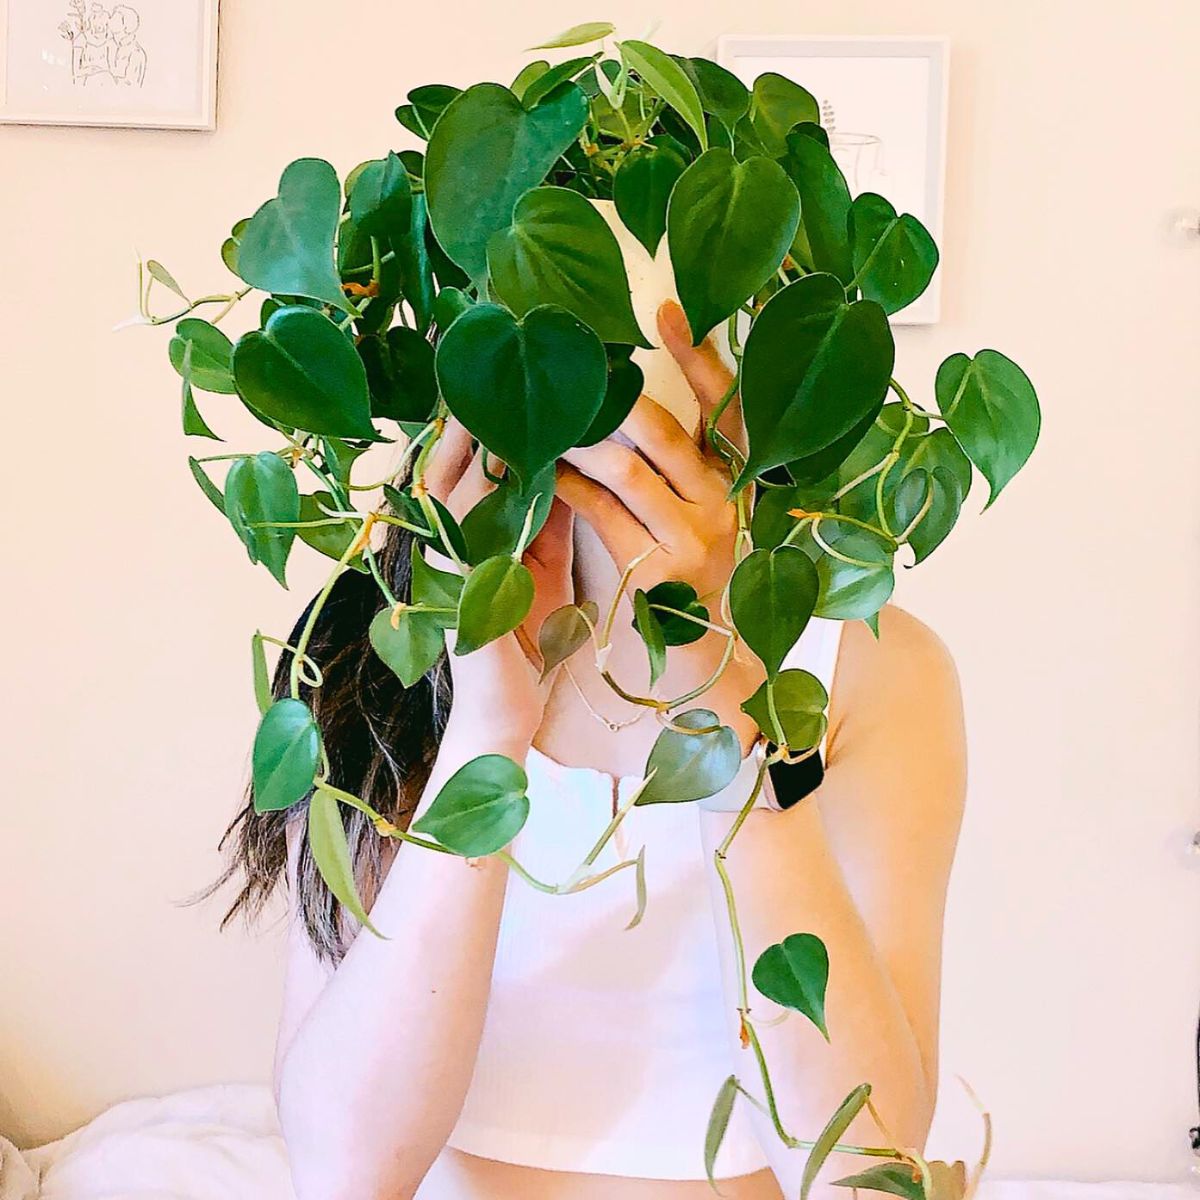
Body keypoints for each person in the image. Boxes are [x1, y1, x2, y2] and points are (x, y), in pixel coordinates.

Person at [214, 299, 968, 1199]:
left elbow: (866, 1168)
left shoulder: (874, 668)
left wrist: (728, 716)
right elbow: (344, 1169)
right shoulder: (379, 642)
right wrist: (488, 724)